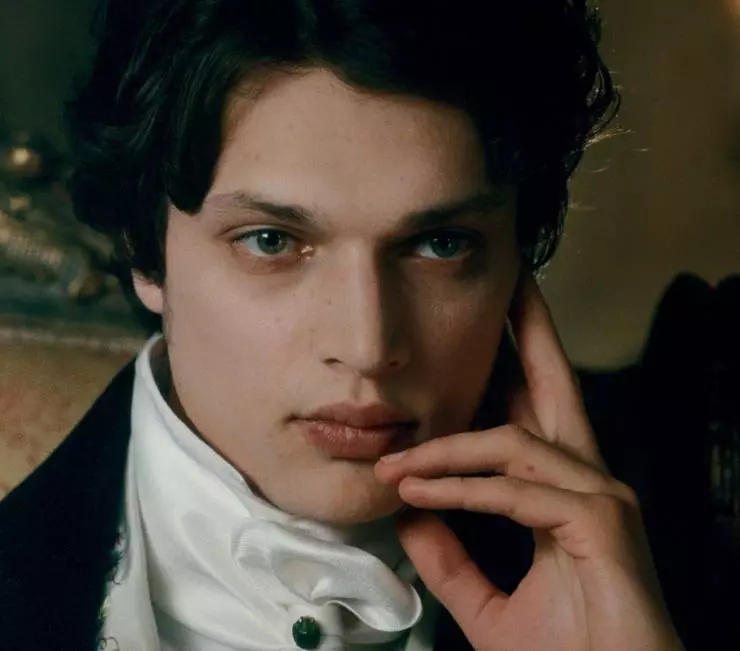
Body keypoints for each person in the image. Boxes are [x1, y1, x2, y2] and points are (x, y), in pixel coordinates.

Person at [0, 1, 685, 649]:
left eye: (441, 244)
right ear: (144, 254)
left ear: (517, 265)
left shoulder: (683, 555)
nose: (367, 347)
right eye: (271, 241)